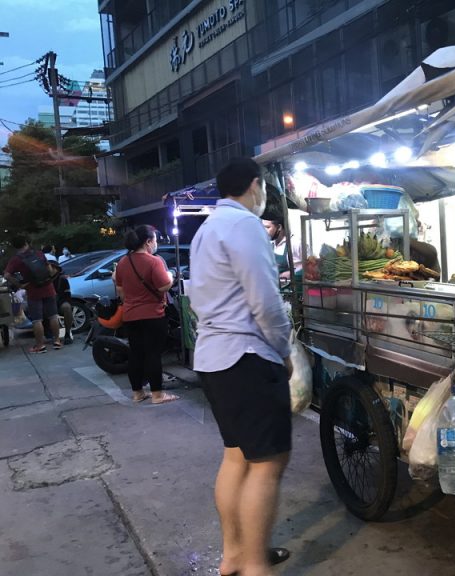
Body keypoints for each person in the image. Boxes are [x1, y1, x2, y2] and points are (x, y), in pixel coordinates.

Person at [188, 157, 293, 576]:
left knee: (236, 457)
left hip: (214, 358)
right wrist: (284, 350)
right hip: (246, 356)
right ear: (256, 185)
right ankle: (254, 565)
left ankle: (233, 555)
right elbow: (265, 301)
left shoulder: (207, 229)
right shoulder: (246, 224)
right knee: (268, 464)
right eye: (265, 188)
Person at [114, 225, 177, 404]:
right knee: (153, 354)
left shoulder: (123, 262)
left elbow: (120, 290)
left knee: (136, 354)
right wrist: (171, 276)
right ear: (148, 242)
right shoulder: (153, 261)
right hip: (152, 315)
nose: (155, 244)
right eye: (155, 240)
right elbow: (163, 286)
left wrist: (133, 301)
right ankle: (157, 394)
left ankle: (137, 393)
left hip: (130, 315)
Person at [3, 237, 61, 353]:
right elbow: (49, 271)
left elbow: (7, 275)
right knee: (53, 316)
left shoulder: (16, 260)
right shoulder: (39, 254)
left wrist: (19, 285)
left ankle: (40, 346)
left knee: (37, 320)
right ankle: (57, 342)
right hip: (48, 288)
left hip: (33, 290)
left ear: (15, 247)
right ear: (26, 243)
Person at [263, 216, 302, 280]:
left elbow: (310, 267)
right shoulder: (270, 243)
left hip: (293, 287)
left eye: (267, 227)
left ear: (279, 227)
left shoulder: (295, 243)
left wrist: (292, 274)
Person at [48, 261, 74, 345]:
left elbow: (68, 296)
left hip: (60, 302)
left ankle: (67, 333)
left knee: (67, 307)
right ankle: (49, 334)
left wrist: (59, 302)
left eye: (49, 266)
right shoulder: (45, 279)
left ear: (54, 268)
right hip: (48, 303)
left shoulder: (62, 279)